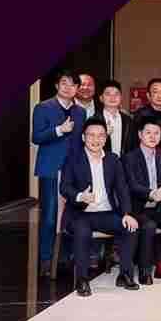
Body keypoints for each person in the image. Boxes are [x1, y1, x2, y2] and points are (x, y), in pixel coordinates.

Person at [59, 117, 139, 296]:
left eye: (101, 135)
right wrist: (80, 196)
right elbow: (64, 187)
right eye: (91, 135)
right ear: (83, 137)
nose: (96, 140)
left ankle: (125, 274)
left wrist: (127, 213)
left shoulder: (113, 159)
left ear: (105, 138)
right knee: (82, 231)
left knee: (131, 227)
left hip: (106, 213)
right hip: (80, 213)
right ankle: (82, 279)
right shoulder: (73, 159)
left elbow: (122, 188)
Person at [32, 69, 87, 277]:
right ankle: (46, 260)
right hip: (51, 168)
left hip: (72, 169)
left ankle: (65, 257)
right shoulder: (43, 107)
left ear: (77, 89)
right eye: (64, 83)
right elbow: (36, 137)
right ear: (57, 85)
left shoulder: (80, 112)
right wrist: (59, 130)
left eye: (73, 85)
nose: (68, 88)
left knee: (72, 214)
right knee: (49, 216)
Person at [122, 120, 161, 284]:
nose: (152, 136)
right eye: (148, 132)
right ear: (140, 135)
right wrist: (150, 193)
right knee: (148, 226)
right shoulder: (129, 158)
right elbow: (132, 185)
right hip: (137, 208)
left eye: (156, 133)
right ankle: (144, 270)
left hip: (159, 208)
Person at [132, 78, 161, 158]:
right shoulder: (141, 114)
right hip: (145, 158)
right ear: (148, 96)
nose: (160, 96)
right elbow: (134, 141)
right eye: (155, 92)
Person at [95, 79, 133, 157]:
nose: (113, 97)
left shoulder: (128, 120)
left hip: (123, 162)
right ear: (101, 98)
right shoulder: (94, 120)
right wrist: (103, 135)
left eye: (116, 94)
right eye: (108, 94)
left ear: (121, 97)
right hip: (102, 161)